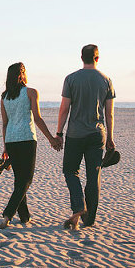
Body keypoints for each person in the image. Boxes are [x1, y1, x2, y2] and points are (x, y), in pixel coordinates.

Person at [56, 44, 115, 229]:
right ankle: (89, 220)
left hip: (75, 134)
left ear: (82, 58)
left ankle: (79, 206)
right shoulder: (106, 80)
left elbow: (64, 109)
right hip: (98, 135)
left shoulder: (71, 79)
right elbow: (109, 114)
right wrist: (111, 138)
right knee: (93, 176)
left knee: (70, 171)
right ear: (97, 58)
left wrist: (59, 133)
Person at [0, 62, 60, 229]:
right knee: (27, 180)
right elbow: (37, 118)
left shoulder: (4, 97)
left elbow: (5, 123)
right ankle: (8, 214)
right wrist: (51, 139)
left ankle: (24, 217)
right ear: (22, 74)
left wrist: (5, 146)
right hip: (26, 139)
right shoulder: (31, 92)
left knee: (19, 180)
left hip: (11, 140)